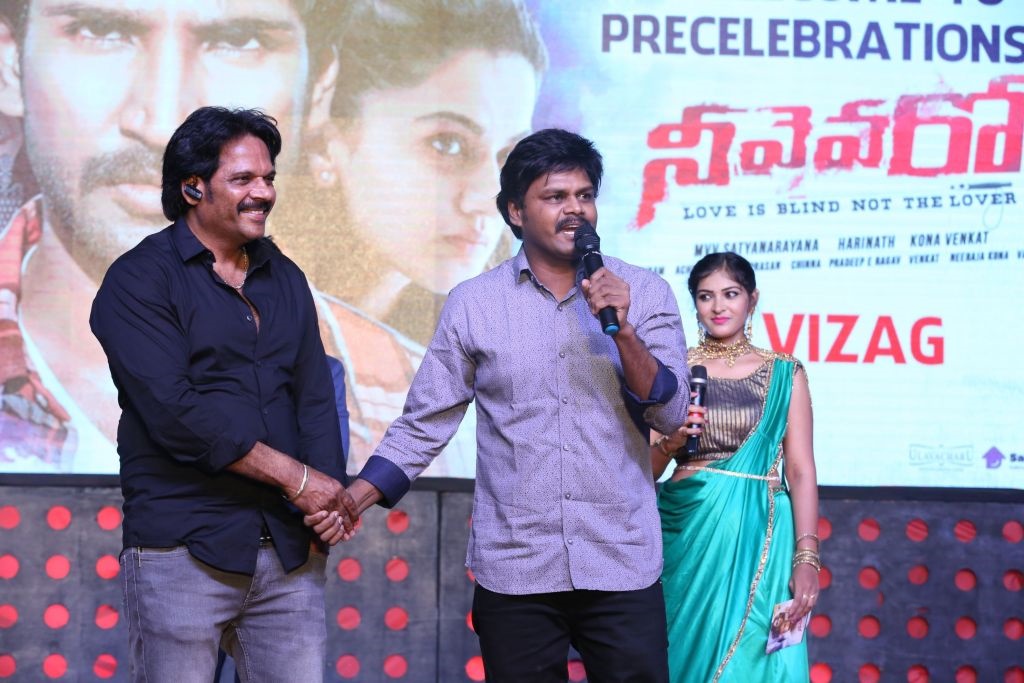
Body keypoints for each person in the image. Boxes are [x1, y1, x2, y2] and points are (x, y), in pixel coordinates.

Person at [309, 128, 691, 682]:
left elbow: (671, 414)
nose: (575, 210)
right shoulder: (474, 304)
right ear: (515, 211)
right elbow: (425, 423)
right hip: (517, 567)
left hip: (620, 561)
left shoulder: (644, 293)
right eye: (555, 197)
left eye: (584, 196)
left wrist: (624, 330)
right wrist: (357, 496)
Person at [0, 0, 341, 473]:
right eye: (99, 30)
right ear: (10, 64)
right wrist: (297, 481)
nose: (161, 126)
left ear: (320, 87)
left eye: (238, 41)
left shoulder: (407, 405)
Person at [90, 107, 357, 682]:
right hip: (182, 548)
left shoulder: (285, 276)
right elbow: (177, 414)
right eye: (243, 179)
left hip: (287, 549)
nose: (264, 193)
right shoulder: (139, 279)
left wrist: (326, 503)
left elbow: (314, 396)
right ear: (193, 188)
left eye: (268, 178)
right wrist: (300, 481)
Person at [277, 0, 546, 476]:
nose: (488, 197)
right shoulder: (258, 322)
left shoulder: (473, 362)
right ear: (329, 138)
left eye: (508, 157)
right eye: (447, 144)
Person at [651, 252, 820, 682]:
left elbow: (800, 470)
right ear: (694, 303)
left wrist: (807, 557)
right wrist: (672, 441)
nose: (718, 307)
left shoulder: (784, 373)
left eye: (730, 294)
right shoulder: (674, 370)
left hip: (761, 534)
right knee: (682, 655)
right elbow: (644, 469)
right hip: (687, 534)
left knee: (756, 655)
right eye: (705, 296)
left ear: (752, 299)